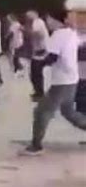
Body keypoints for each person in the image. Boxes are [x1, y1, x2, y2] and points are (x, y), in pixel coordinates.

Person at [21, 9, 86, 155]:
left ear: (55, 20)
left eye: (48, 19)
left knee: (41, 111)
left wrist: (39, 63)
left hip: (62, 81)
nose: (47, 22)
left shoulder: (58, 35)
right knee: (69, 113)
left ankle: (36, 146)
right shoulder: (70, 33)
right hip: (71, 79)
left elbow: (52, 57)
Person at [26, 10, 49, 102]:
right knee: (35, 73)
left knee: (36, 73)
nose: (26, 19)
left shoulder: (37, 22)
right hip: (39, 49)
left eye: (27, 17)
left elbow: (39, 34)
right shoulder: (37, 22)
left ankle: (40, 94)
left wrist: (26, 31)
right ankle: (38, 92)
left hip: (41, 50)